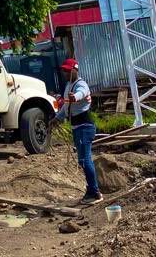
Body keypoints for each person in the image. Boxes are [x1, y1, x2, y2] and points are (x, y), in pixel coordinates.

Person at [51, 57, 102, 204]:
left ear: (75, 70)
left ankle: (95, 192)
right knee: (82, 160)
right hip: (77, 128)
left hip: (85, 127)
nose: (65, 73)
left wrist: (76, 97)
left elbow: (82, 93)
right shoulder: (68, 85)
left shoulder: (81, 84)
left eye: (68, 71)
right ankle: (92, 190)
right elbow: (66, 107)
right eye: (64, 71)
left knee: (85, 160)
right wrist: (57, 118)